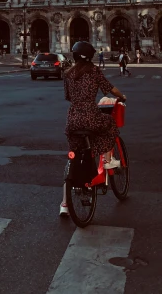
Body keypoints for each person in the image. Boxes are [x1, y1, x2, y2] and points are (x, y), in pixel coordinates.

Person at [60, 41, 126, 217]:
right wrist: (122, 96)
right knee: (110, 125)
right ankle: (107, 160)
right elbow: (109, 89)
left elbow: (67, 97)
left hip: (72, 120)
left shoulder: (67, 74)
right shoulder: (94, 71)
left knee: (73, 155)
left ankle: (64, 203)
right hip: (91, 116)